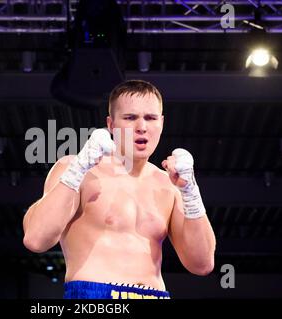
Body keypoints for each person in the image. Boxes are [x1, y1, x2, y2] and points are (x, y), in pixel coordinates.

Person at [23, 79, 216, 299]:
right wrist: (78, 168)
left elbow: (202, 264)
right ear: (111, 125)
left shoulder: (170, 185)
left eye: (150, 118)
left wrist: (191, 191)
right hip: (95, 298)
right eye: (130, 118)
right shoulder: (77, 169)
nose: (142, 127)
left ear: (161, 123)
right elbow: (36, 239)